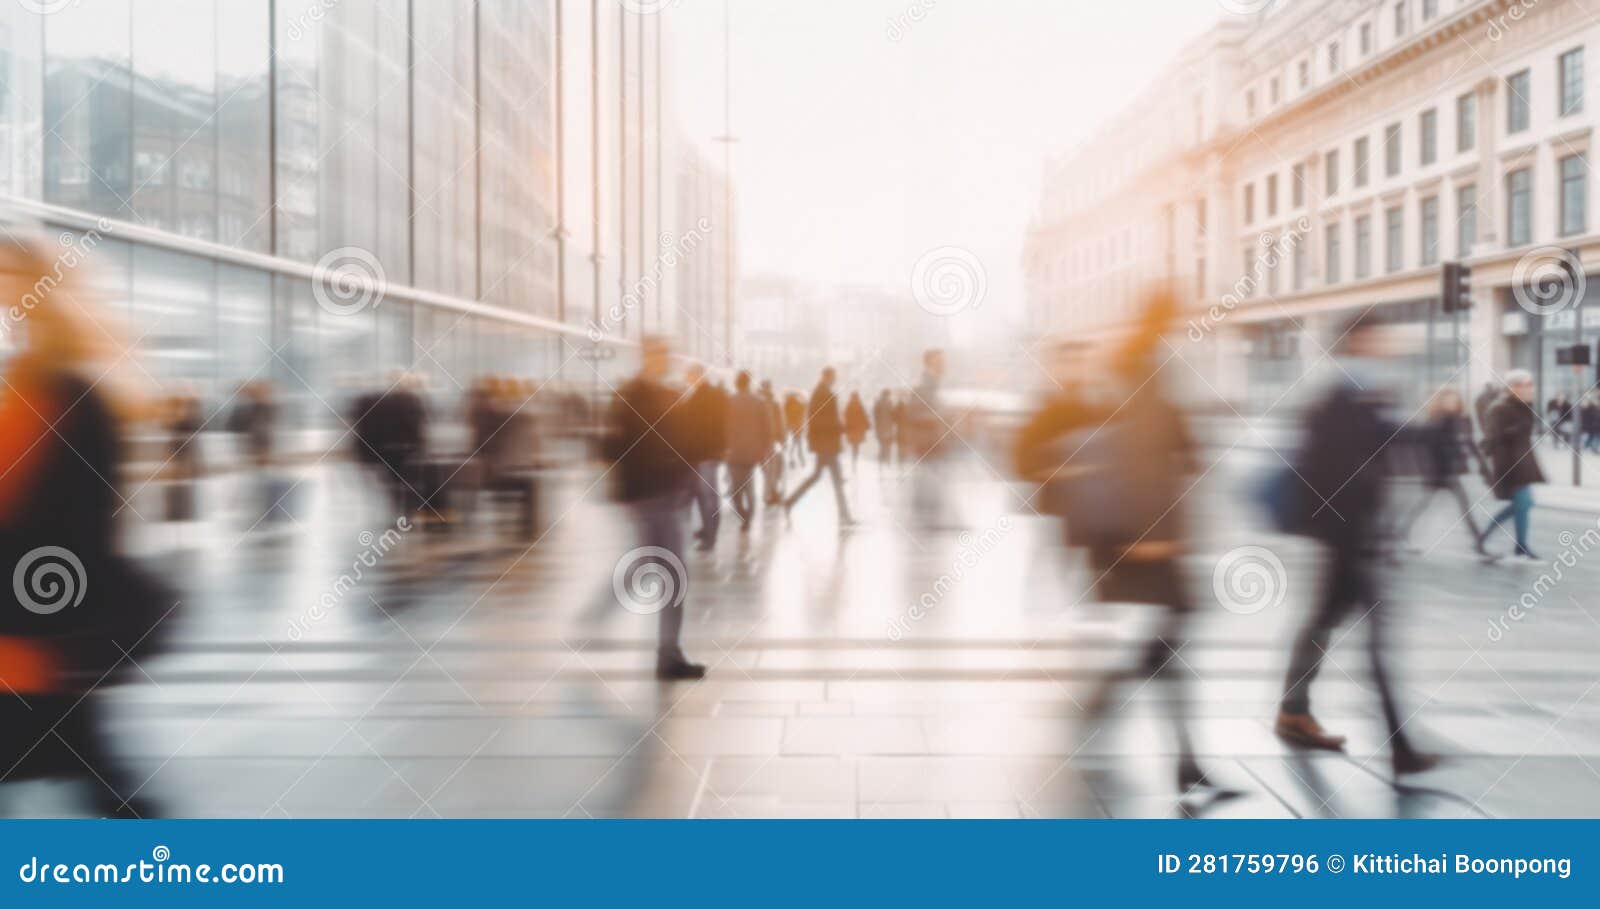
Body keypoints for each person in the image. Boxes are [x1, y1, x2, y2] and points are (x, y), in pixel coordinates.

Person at [1013, 296, 1220, 796]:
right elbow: (1137, 461)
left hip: (1138, 531)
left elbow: (1170, 454)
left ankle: (1163, 745)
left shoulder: (1127, 382)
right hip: (1138, 533)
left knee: (1165, 644)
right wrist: (1152, 532)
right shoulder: (1134, 377)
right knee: (1167, 639)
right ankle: (1160, 744)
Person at [0, 234, 172, 817]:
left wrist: (57, 628)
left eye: (9, 275)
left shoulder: (70, 394)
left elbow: (86, 523)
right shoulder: (26, 383)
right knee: (101, 776)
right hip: (34, 628)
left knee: (100, 776)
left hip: (37, 626)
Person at [1275, 312, 1438, 776]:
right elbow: (1332, 472)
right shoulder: (1338, 398)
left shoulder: (1360, 395)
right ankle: (1399, 747)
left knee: (1322, 622)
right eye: (1377, 340)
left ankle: (1293, 710)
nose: (1386, 347)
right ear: (1357, 344)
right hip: (1347, 538)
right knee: (1371, 641)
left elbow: (1385, 449)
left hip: (1351, 538)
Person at [600, 337, 704, 680]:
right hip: (648, 495)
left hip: (664, 494)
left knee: (662, 570)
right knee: (665, 571)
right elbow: (615, 445)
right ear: (649, 357)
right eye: (660, 355)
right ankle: (666, 654)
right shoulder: (632, 395)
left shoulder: (664, 394)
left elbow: (683, 442)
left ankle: (667, 652)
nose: (665, 361)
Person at [1392, 387, 1491, 558]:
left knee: (1465, 509)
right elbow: (1422, 445)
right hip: (1438, 472)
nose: (1452, 402)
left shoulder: (1462, 420)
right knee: (1422, 506)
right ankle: (1400, 536)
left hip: (1451, 472)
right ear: (1441, 401)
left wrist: (1482, 465)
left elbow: (1469, 443)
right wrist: (1426, 467)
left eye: (1454, 399)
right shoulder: (1436, 420)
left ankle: (1479, 545)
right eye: (1448, 399)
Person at [1481, 370, 1544, 560]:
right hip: (1509, 465)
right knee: (1524, 503)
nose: (1531, 388)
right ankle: (1484, 538)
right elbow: (1492, 440)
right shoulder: (1499, 408)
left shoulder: (1523, 407)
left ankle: (1519, 545)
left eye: (1531, 384)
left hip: (1523, 464)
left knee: (1523, 504)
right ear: (1514, 387)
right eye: (1527, 384)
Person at [784, 367, 855, 526]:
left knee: (817, 477)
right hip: (827, 443)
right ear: (827, 377)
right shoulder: (823, 394)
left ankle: (789, 502)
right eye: (833, 377)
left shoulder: (819, 392)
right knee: (835, 480)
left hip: (825, 443)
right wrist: (840, 426)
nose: (835, 380)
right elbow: (821, 420)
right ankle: (845, 516)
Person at [678, 364, 727, 552]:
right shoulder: (704, 394)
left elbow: (710, 425)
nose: (687, 379)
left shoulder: (707, 395)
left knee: (707, 496)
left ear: (697, 375)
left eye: (689, 375)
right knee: (702, 495)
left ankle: (710, 537)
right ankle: (707, 530)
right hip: (702, 453)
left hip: (705, 453)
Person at [724, 371, 775, 531]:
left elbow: (723, 427)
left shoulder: (729, 402)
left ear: (736, 384)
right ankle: (749, 517)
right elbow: (767, 427)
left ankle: (744, 514)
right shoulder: (759, 402)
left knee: (734, 490)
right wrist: (766, 447)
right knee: (749, 485)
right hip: (753, 451)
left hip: (733, 451)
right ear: (748, 383)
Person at [905, 350, 949, 527]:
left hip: (932, 442)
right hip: (927, 442)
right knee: (927, 479)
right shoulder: (924, 385)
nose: (944, 365)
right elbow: (914, 413)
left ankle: (927, 516)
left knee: (929, 479)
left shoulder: (934, 384)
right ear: (930, 362)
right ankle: (925, 517)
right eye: (940, 361)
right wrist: (937, 418)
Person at [759, 380, 786, 505]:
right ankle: (770, 494)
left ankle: (771, 494)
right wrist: (782, 439)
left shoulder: (758, 401)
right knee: (772, 469)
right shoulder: (773, 403)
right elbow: (779, 422)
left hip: (763, 441)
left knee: (768, 470)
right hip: (770, 440)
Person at [843, 391, 870, 470]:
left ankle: (854, 459)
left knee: (855, 445)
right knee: (856, 445)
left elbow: (845, 416)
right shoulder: (859, 405)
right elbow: (864, 416)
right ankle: (854, 459)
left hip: (853, 429)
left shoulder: (850, 405)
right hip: (857, 429)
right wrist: (867, 425)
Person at [872, 390, 897, 467]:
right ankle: (883, 461)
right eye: (887, 395)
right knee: (884, 444)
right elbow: (876, 416)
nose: (887, 397)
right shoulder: (881, 403)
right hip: (883, 427)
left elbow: (893, 415)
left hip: (887, 427)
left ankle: (886, 461)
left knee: (886, 444)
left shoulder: (889, 403)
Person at [783, 391, 807, 467]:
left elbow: (786, 416)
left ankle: (792, 460)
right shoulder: (799, 404)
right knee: (798, 445)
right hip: (798, 426)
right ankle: (802, 462)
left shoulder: (787, 404)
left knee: (793, 445)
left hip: (791, 427)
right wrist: (800, 394)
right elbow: (805, 406)